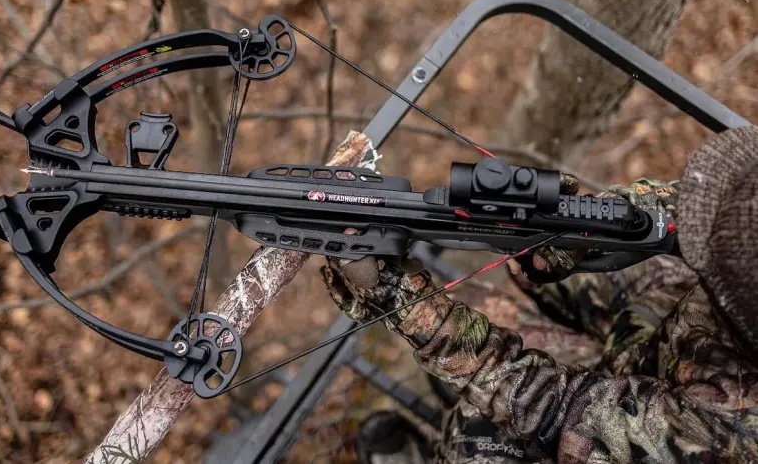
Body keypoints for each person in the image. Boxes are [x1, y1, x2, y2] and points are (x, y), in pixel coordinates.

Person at [321, 126, 758, 463]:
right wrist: (595, 222)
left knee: (478, 430)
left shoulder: (739, 436)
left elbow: (558, 411)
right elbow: (710, 199)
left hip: (656, 431)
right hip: (670, 322)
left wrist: (415, 312)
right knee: (533, 262)